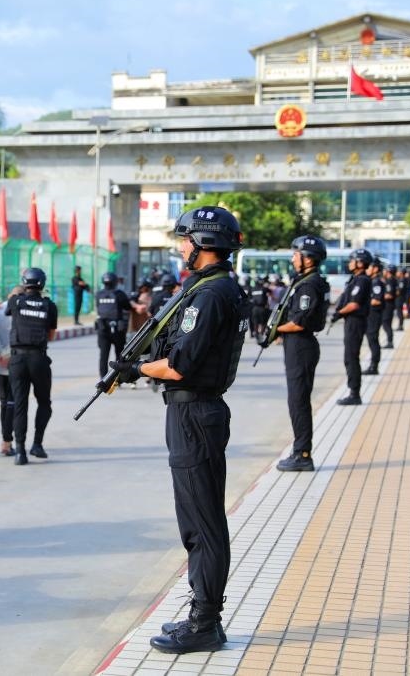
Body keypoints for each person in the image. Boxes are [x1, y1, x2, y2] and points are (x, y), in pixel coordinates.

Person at [111, 206, 247, 654]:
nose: (182, 247)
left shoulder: (210, 295)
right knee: (198, 518)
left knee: (201, 522)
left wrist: (135, 370)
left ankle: (205, 622)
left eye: (186, 239)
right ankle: (203, 615)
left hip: (195, 414)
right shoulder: (215, 288)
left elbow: (180, 365)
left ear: (205, 243)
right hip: (196, 412)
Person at [274, 236, 330, 472]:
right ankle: (300, 450)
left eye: (296, 254)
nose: (293, 259)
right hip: (299, 345)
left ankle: (302, 453)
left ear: (308, 258)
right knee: (297, 399)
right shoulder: (307, 281)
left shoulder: (308, 285)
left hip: (301, 346)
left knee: (298, 401)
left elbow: (299, 322)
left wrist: (275, 329)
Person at [5, 268, 58, 464]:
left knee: (20, 404)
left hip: (17, 360)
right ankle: (37, 444)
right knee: (44, 403)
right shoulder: (49, 305)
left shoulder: (16, 301)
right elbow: (51, 336)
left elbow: (8, 306)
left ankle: (20, 451)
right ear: (42, 284)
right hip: (38, 358)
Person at [330, 248, 373, 406]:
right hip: (351, 321)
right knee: (349, 357)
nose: (350, 263)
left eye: (352, 260)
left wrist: (338, 314)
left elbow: (354, 304)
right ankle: (353, 391)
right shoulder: (355, 279)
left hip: (356, 322)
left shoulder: (362, 280)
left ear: (360, 263)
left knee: (351, 357)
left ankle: (354, 393)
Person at [0, 288, 21, 456]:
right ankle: (7, 441)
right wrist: (9, 354)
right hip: (17, 360)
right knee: (14, 402)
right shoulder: (23, 308)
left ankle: (5, 440)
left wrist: (0, 352)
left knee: (4, 402)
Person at [94, 271, 132, 377]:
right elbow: (127, 307)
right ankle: (118, 378)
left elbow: (98, 308)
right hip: (117, 329)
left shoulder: (99, 294)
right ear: (115, 282)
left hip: (102, 328)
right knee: (119, 354)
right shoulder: (119, 294)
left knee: (103, 355)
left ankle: (103, 378)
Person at [363, 260, 384, 376]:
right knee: (371, 340)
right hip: (370, 315)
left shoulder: (376, 282)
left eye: (369, 267)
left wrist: (362, 303)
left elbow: (377, 300)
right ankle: (372, 364)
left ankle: (374, 366)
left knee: (373, 340)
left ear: (375, 269)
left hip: (374, 315)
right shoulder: (371, 281)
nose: (367, 270)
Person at [381, 264, 397, 348]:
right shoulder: (390, 280)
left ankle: (390, 342)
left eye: (385, 270)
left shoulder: (390, 281)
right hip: (388, 305)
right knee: (387, 324)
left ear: (388, 271)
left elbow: (389, 295)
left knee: (386, 324)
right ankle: (389, 341)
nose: (383, 272)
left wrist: (379, 297)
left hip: (388, 305)